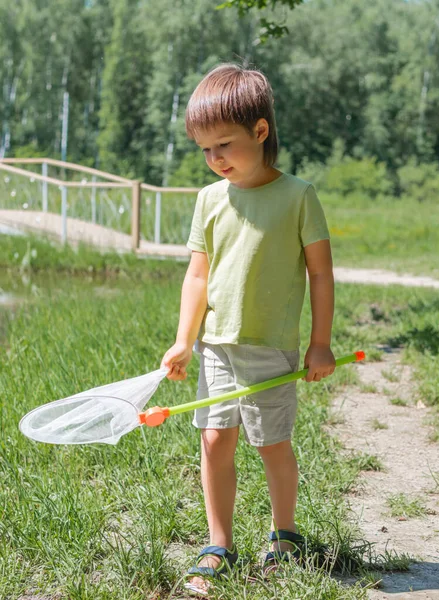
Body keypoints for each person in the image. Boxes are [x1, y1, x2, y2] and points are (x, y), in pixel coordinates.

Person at [161, 63, 335, 596]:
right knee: (214, 441)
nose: (215, 160)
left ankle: (285, 535)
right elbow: (198, 274)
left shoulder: (298, 196)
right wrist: (184, 339)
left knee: (272, 444)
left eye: (225, 145)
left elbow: (321, 272)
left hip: (271, 348)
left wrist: (320, 341)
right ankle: (219, 542)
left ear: (260, 132)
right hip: (217, 346)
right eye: (205, 150)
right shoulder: (209, 200)